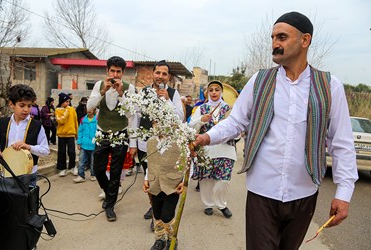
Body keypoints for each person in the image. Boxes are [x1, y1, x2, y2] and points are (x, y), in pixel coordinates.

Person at [193, 11, 358, 250]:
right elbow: (236, 121)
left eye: (282, 37)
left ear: (305, 40)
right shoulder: (259, 81)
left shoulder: (330, 86)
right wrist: (206, 137)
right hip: (262, 192)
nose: (275, 44)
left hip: (304, 193)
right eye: (273, 38)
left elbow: (341, 143)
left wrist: (344, 192)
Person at [87, 56, 138, 222]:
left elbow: (131, 113)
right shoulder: (98, 85)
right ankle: (109, 191)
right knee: (98, 169)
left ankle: (110, 206)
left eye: (118, 71)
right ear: (107, 71)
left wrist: (121, 94)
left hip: (121, 133)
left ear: (123, 73)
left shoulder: (130, 88)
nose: (115, 74)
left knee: (115, 172)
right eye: (112, 71)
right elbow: (89, 108)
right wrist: (103, 91)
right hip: (102, 133)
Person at [138, 60, 185, 229]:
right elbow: (136, 117)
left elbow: (180, 117)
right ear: (153, 73)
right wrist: (133, 142)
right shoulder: (143, 92)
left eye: (164, 74)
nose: (160, 76)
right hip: (146, 144)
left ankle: (161, 216)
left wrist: (168, 100)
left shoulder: (173, 93)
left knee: (165, 177)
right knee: (150, 179)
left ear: (168, 77)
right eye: (158, 73)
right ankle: (154, 209)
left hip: (167, 145)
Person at [188, 80, 236, 218]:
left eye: (217, 89)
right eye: (211, 90)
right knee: (206, 180)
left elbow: (238, 130)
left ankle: (221, 204)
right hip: (206, 150)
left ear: (221, 92)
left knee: (223, 180)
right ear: (207, 93)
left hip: (226, 150)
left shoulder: (229, 109)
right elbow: (190, 128)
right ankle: (208, 204)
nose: (214, 92)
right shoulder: (201, 109)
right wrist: (201, 120)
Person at [0, 84, 50, 185]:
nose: (26, 110)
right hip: (6, 174)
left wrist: (29, 147)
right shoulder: (3, 123)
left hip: (28, 175)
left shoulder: (37, 125)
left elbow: (45, 150)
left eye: (29, 106)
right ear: (11, 104)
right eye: (22, 105)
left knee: (27, 200)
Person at [143, 138, 184, 250]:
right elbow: (149, 163)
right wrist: (146, 178)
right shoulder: (151, 141)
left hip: (172, 185)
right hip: (154, 183)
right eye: (156, 122)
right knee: (156, 214)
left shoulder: (179, 141)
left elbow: (187, 162)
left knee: (167, 216)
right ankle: (160, 239)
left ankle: (172, 239)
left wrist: (184, 182)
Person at [55, 92, 78, 177]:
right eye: (66, 101)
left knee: (71, 151)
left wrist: (76, 132)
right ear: (62, 101)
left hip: (71, 134)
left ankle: (72, 166)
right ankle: (62, 168)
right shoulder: (57, 110)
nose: (68, 103)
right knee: (61, 152)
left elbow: (75, 121)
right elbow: (61, 121)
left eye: (69, 101)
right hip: (61, 134)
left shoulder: (72, 109)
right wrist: (65, 112)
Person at [73, 108, 97, 183]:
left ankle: (93, 174)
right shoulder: (83, 120)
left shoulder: (98, 120)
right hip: (84, 144)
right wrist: (79, 142)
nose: (89, 111)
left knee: (93, 162)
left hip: (94, 145)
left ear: (94, 110)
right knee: (81, 161)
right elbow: (80, 132)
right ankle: (81, 175)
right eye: (88, 109)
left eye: (91, 109)